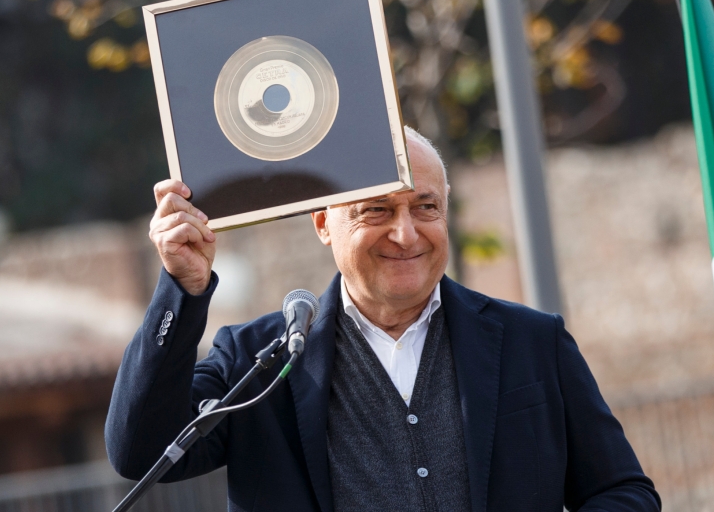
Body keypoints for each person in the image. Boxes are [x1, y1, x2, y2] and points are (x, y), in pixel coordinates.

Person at [106, 128, 660, 512]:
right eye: (377, 209)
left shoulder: (533, 343)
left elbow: (624, 492)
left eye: (426, 207)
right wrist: (183, 288)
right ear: (323, 222)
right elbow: (141, 452)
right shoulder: (257, 362)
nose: (406, 233)